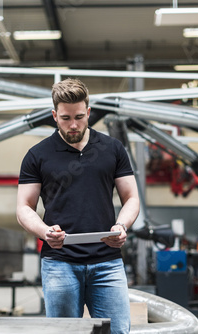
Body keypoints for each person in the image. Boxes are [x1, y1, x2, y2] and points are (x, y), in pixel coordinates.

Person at [16, 78, 140, 334]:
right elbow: (24, 208)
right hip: (60, 263)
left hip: (107, 262)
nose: (73, 125)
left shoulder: (112, 149)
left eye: (79, 117)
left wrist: (122, 225)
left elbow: (132, 198)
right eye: (65, 118)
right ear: (54, 115)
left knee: (117, 332)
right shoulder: (38, 155)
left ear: (89, 113)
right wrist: (44, 232)